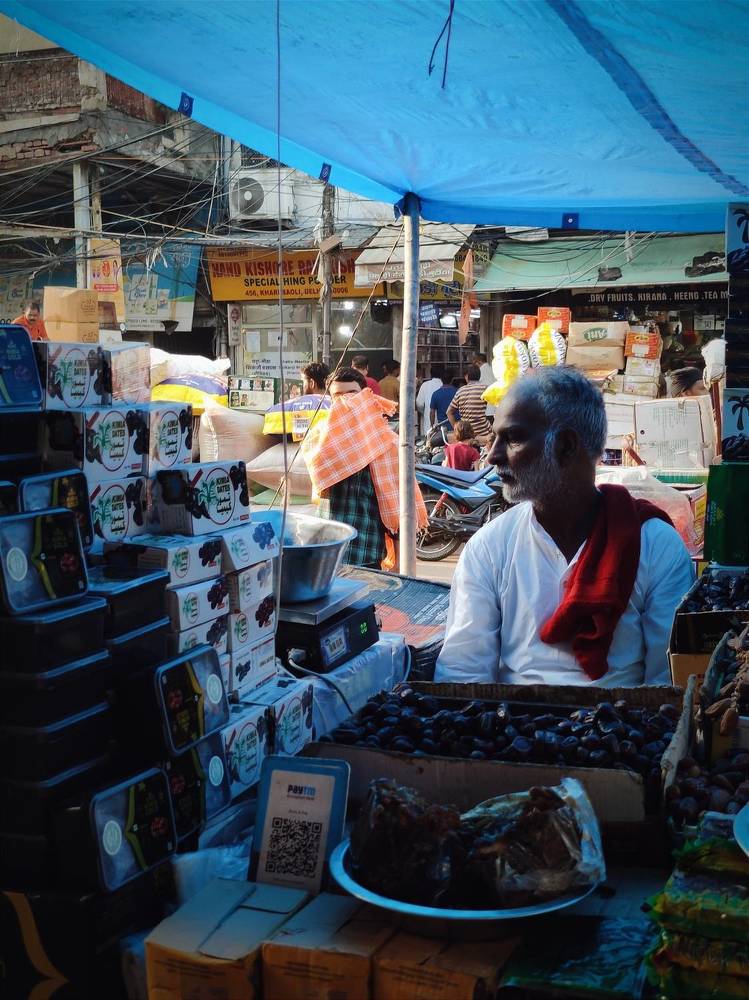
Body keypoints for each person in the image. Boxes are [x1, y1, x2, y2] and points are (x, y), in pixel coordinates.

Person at [435, 366, 694, 687]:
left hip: (623, 729)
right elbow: (463, 673)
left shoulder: (656, 545)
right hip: (511, 728)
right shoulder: (489, 547)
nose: (492, 456)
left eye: (512, 437)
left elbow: (668, 681)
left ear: (566, 445)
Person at [302, 367, 427, 569]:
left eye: (351, 395)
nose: (345, 402)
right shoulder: (319, 439)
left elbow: (396, 507)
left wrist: (399, 563)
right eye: (338, 396)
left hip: (366, 551)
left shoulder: (387, 444)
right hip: (326, 550)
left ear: (364, 396)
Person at [448, 365, 491, 438]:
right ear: (479, 376)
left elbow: (449, 412)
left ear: (466, 376)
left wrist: (457, 429)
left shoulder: (460, 391)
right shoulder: (485, 389)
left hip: (466, 435)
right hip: (484, 433)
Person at [416, 369, 443, 437]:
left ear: (431, 374)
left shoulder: (425, 385)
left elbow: (419, 404)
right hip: (443, 423)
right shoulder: (444, 385)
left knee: (429, 439)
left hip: (428, 421)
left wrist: (424, 412)